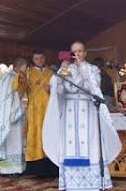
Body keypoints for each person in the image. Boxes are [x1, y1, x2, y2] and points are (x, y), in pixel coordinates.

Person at [42, 41, 121, 191]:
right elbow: (57, 92)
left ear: (85, 53)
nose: (77, 54)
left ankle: (94, 184)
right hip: (69, 116)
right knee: (70, 147)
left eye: (79, 51)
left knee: (90, 147)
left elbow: (93, 85)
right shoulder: (64, 69)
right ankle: (72, 185)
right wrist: (61, 74)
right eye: (74, 52)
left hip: (88, 114)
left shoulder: (92, 69)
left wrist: (81, 67)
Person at [23, 49, 58, 178]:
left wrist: (52, 88)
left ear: (45, 58)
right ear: (33, 60)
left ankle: (53, 167)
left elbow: (61, 89)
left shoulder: (52, 72)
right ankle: (38, 170)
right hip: (35, 111)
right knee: (37, 136)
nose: (39, 61)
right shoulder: (28, 73)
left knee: (51, 135)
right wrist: (20, 74)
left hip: (50, 110)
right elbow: (20, 88)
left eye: (41, 58)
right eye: (36, 58)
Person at [0, 57, 28, 176]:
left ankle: (17, 168)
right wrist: (17, 110)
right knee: (11, 143)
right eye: (24, 67)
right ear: (19, 66)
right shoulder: (10, 78)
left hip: (15, 116)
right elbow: (8, 99)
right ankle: (9, 170)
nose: (26, 69)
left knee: (17, 142)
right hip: (11, 116)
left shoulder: (13, 77)